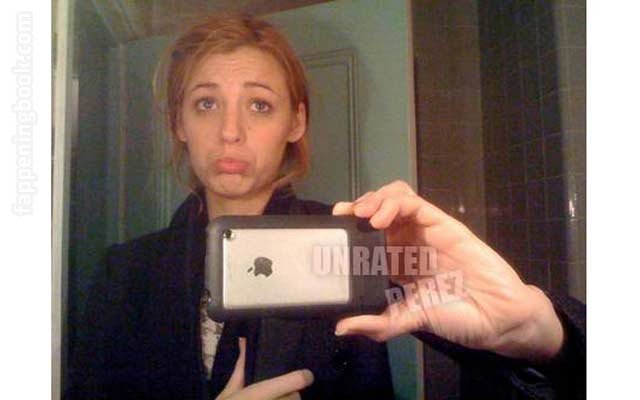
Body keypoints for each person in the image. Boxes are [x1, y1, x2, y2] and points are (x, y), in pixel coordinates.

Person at [66, 12, 585, 400]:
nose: (229, 131)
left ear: (295, 122)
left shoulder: (354, 244)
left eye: (259, 104)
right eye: (206, 103)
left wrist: (536, 330)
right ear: (178, 122)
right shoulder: (124, 273)